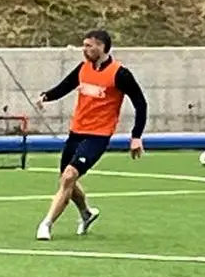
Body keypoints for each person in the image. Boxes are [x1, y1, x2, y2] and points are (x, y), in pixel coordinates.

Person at [34, 28, 148, 242]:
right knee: (66, 179)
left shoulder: (120, 74)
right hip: (76, 131)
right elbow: (66, 86)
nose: (84, 49)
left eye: (89, 46)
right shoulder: (84, 68)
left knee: (69, 176)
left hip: (98, 136)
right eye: (84, 45)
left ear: (102, 47)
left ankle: (46, 224)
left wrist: (136, 136)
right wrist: (46, 96)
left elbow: (140, 104)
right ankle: (86, 213)